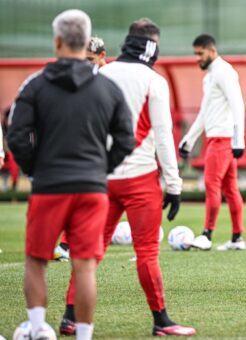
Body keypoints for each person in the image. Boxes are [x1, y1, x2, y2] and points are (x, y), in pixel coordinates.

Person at [59, 18, 196, 337]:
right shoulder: (153, 81)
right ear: (153, 45)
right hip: (139, 178)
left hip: (100, 177)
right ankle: (161, 321)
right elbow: (163, 136)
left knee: (88, 251)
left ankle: (69, 317)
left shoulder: (101, 74)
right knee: (147, 251)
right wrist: (174, 186)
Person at [7, 9, 135, 340]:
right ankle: (83, 336)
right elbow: (126, 139)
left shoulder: (35, 84)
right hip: (92, 187)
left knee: (37, 261)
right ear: (85, 41)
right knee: (84, 265)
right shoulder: (108, 87)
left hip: (49, 185)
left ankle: (37, 329)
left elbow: (16, 135)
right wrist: (101, 168)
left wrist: (35, 169)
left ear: (58, 41)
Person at [179, 34, 246, 251]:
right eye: (195, 53)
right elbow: (205, 113)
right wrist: (188, 140)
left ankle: (207, 235)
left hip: (222, 139)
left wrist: (239, 139)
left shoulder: (224, 72)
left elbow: (238, 105)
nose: (197, 57)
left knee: (211, 184)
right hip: (217, 138)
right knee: (230, 188)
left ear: (212, 50)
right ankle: (237, 238)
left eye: (200, 53)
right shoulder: (210, 76)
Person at [54, 35, 109, 262]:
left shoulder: (112, 77)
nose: (86, 63)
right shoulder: (82, 77)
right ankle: (67, 244)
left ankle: (146, 241)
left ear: (102, 56)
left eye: (90, 59)